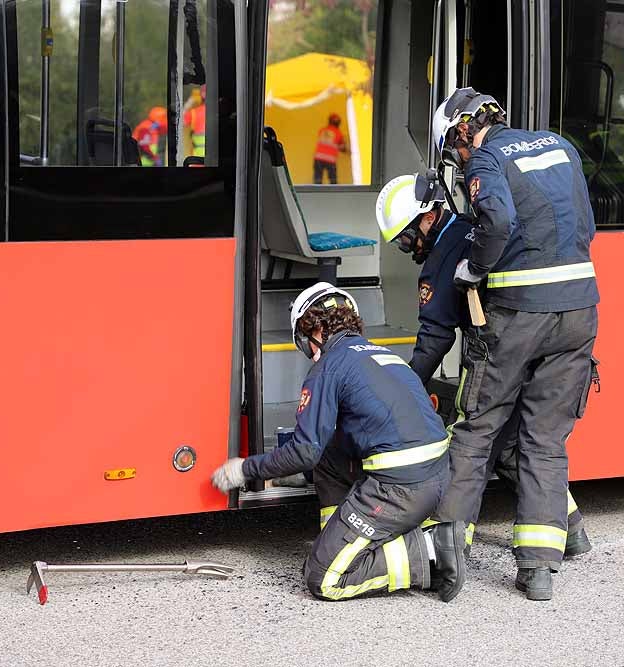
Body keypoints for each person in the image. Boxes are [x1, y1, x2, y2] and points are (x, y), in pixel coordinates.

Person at [426, 87, 600, 602]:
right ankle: (538, 570)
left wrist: (473, 266)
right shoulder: (558, 145)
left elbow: (497, 221)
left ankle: (449, 556)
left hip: (517, 313)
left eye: (452, 151)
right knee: (544, 439)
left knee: (477, 427)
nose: (458, 162)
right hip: (579, 311)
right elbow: (586, 223)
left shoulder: (487, 155)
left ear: (462, 130)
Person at [375, 173, 593, 560]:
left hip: (504, 354)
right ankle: (571, 532)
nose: (408, 249)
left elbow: (435, 338)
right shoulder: (471, 229)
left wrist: (404, 390)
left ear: (427, 218)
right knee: (515, 445)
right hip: (550, 338)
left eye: (407, 238)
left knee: (471, 436)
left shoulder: (441, 260)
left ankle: (448, 547)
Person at [210, 282, 467, 602]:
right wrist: (299, 473)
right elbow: (328, 449)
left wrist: (246, 469)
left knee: (324, 578)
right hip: (435, 478)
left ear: (313, 331)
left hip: (399, 489)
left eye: (304, 340)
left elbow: (304, 451)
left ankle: (428, 549)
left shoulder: (328, 368)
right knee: (329, 452)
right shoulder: (385, 356)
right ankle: (337, 536)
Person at [312, 113, 347, 184]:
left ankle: (317, 194)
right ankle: (335, 194)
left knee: (317, 180)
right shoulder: (338, 133)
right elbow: (343, 148)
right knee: (333, 181)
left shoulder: (322, 130)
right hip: (330, 159)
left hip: (318, 158)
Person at [183, 85, 206, 158]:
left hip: (198, 161)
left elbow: (178, 122)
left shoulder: (193, 113)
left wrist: (189, 103)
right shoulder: (221, 111)